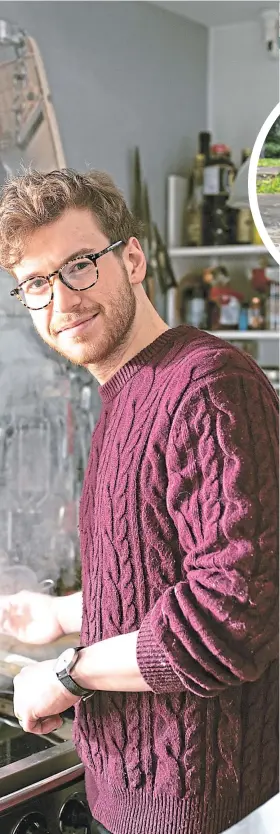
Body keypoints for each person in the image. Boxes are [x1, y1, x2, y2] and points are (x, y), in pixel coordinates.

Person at [0, 168, 278, 834]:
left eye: (79, 266)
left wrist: (68, 673)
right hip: (138, 803)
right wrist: (64, 614)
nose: (61, 301)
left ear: (130, 258)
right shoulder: (130, 394)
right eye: (37, 283)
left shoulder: (206, 384)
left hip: (203, 813)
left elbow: (228, 616)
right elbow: (168, 582)